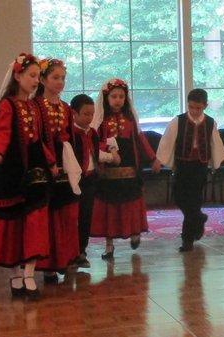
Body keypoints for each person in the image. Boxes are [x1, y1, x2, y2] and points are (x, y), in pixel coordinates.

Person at [0, 53, 58, 300]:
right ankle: (15, 276)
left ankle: (29, 274)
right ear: (18, 76)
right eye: (32, 76)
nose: (36, 81)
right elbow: (2, 134)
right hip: (12, 171)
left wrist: (51, 162)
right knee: (12, 224)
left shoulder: (36, 105)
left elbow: (41, 138)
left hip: (35, 171)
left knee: (35, 221)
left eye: (38, 76)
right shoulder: (7, 105)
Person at [90, 78, 160, 260]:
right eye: (114, 96)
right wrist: (108, 151)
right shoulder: (101, 121)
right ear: (106, 98)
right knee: (109, 206)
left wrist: (153, 158)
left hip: (129, 169)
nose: (118, 100)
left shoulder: (130, 120)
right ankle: (109, 245)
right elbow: (95, 143)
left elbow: (141, 140)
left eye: (121, 96)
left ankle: (135, 233)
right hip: (108, 170)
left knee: (131, 201)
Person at [156, 89, 224, 252]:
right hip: (182, 165)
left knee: (194, 200)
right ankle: (199, 218)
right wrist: (159, 160)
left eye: (198, 108)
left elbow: (215, 142)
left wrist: (219, 160)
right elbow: (167, 141)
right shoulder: (178, 121)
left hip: (200, 166)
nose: (194, 111)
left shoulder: (210, 123)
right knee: (179, 197)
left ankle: (187, 240)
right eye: (191, 107)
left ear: (205, 106)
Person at [33, 58, 80, 282]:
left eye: (62, 78)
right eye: (55, 78)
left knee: (66, 213)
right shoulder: (36, 106)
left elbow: (69, 137)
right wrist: (49, 161)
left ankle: (66, 258)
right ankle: (48, 264)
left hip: (64, 164)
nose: (60, 82)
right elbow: (36, 139)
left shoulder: (66, 108)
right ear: (43, 79)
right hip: (44, 165)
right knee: (48, 215)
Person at [70, 94, 115, 268]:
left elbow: (95, 154)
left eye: (91, 114)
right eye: (85, 114)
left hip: (90, 180)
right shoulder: (70, 134)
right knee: (72, 217)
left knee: (85, 216)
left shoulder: (93, 133)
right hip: (74, 180)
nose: (89, 118)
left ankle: (82, 251)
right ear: (74, 114)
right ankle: (69, 253)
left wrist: (110, 157)